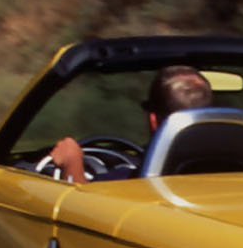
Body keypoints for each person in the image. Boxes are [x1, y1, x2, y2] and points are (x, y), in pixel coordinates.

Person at [49, 64, 213, 183]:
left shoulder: (128, 184)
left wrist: (72, 163)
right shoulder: (233, 172)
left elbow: (82, 213)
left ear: (153, 120)